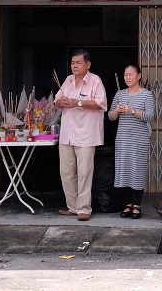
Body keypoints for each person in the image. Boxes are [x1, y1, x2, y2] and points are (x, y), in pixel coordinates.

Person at [54, 49, 108, 222]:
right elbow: (56, 101)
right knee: (66, 172)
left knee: (84, 172)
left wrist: (77, 102)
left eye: (78, 63)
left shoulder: (95, 81)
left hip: (86, 134)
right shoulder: (68, 80)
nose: (74, 66)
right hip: (67, 134)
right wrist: (60, 102)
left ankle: (84, 208)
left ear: (88, 64)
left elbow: (101, 103)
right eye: (72, 63)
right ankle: (72, 206)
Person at [108, 63, 155, 218]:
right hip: (123, 139)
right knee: (124, 171)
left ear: (139, 76)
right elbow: (110, 117)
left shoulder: (146, 95)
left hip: (139, 139)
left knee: (137, 172)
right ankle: (127, 204)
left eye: (131, 74)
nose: (127, 77)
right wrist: (117, 110)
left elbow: (149, 116)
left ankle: (137, 205)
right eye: (125, 75)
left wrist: (132, 110)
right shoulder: (119, 94)